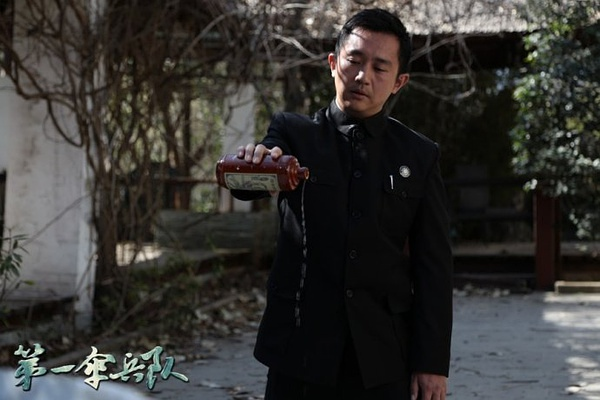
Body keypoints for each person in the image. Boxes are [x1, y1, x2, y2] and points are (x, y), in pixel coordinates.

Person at [231, 8, 453, 400]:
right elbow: (247, 185)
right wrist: (255, 164)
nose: (363, 76)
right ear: (333, 63)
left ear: (399, 82)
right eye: (354, 60)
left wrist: (432, 363)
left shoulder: (418, 155)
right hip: (299, 347)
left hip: (383, 354)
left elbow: (433, 265)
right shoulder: (294, 134)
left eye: (380, 68)